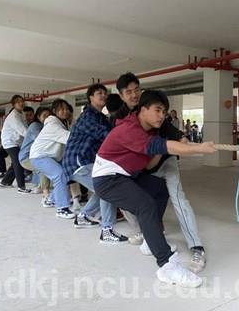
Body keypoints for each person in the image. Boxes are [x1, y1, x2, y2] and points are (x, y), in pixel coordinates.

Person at [92, 90, 217, 287]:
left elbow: (150, 165)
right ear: (143, 110)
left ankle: (150, 241)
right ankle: (167, 265)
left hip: (126, 175)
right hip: (107, 180)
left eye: (164, 111)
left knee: (159, 188)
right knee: (145, 205)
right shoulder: (130, 130)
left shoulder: (149, 129)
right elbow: (168, 147)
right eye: (157, 110)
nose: (162, 115)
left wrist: (173, 145)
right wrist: (199, 148)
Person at [112, 73, 207, 273]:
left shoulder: (152, 107)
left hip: (165, 160)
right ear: (121, 95)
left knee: (178, 198)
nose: (134, 95)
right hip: (141, 166)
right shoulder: (119, 119)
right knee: (129, 198)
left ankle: (196, 247)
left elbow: (169, 128)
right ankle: (147, 231)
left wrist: (182, 139)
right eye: (128, 92)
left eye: (136, 89)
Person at [63, 84, 128, 243]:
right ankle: (107, 230)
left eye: (105, 93)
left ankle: (83, 217)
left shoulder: (100, 116)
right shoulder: (88, 116)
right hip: (78, 162)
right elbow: (107, 135)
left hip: (86, 161)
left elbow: (112, 131)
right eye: (99, 93)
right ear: (90, 97)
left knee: (102, 189)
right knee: (106, 187)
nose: (104, 95)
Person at [30, 99, 74, 218]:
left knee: (65, 174)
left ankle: (51, 200)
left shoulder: (61, 123)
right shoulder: (53, 125)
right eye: (61, 109)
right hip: (40, 156)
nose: (65, 111)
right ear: (54, 111)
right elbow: (69, 138)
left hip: (49, 156)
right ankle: (62, 209)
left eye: (66, 109)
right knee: (59, 175)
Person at [18, 107, 52, 199]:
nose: (47, 118)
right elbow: (40, 141)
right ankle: (46, 194)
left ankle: (40, 187)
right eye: (44, 116)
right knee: (44, 167)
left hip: (35, 156)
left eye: (49, 116)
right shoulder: (35, 126)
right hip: (26, 158)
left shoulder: (45, 126)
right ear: (38, 116)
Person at [0, 95, 30, 193]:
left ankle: (5, 182)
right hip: (10, 142)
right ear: (14, 104)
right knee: (18, 162)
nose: (21, 103)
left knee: (15, 163)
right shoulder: (14, 116)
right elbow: (23, 130)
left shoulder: (21, 113)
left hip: (16, 142)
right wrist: (34, 137)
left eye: (22, 101)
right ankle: (21, 187)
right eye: (18, 102)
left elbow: (25, 128)